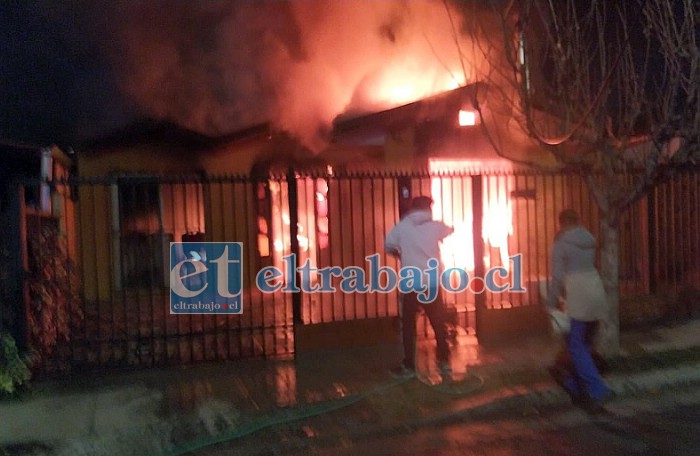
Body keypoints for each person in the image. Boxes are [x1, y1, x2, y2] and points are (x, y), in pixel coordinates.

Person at [546, 209, 614, 409]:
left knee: (575, 345)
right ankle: (575, 386)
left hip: (578, 294)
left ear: (561, 223)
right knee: (583, 345)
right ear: (578, 221)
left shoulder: (561, 244)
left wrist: (550, 302)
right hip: (595, 289)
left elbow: (558, 276)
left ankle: (597, 388)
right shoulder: (589, 238)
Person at [385, 196, 454, 378]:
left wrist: (401, 255)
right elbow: (450, 230)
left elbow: (388, 245)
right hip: (431, 283)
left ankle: (408, 365)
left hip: (411, 284)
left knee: (408, 325)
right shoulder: (436, 226)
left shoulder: (402, 227)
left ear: (412, 208)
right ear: (428, 208)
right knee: (438, 323)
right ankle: (445, 361)